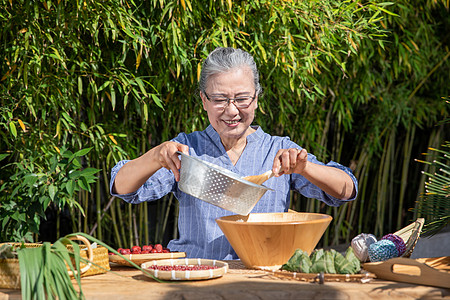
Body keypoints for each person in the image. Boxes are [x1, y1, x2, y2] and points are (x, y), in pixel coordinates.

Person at [110, 47, 358, 260]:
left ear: (257, 98)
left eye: (242, 99)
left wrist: (305, 168)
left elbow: (346, 189)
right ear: (204, 100)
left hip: (264, 277)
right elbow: (122, 187)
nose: (231, 111)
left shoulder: (278, 151)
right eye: (219, 99)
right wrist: (155, 156)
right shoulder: (186, 149)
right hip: (197, 275)